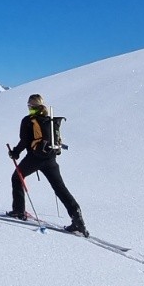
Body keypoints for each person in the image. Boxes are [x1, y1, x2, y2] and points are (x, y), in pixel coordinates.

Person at [7, 94, 88, 236]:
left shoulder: (28, 121)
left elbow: (24, 141)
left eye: (29, 106)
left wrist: (15, 153)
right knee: (60, 188)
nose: (29, 108)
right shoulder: (49, 120)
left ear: (32, 106)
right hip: (51, 160)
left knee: (17, 177)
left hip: (34, 158)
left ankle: (19, 211)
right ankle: (78, 220)